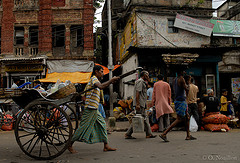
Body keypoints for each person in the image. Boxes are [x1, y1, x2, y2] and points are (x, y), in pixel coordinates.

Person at [68, 65, 120, 153]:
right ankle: (69, 145)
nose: (103, 73)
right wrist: (111, 80)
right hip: (90, 108)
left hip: (94, 108)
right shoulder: (94, 79)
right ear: (96, 72)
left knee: (102, 124)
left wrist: (110, 82)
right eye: (101, 71)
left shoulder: (95, 80)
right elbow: (101, 86)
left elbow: (101, 86)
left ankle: (106, 145)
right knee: (82, 127)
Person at [159, 70, 196, 142]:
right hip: (181, 101)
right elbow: (187, 89)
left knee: (187, 117)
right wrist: (188, 81)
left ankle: (188, 135)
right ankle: (164, 133)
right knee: (179, 118)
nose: (185, 72)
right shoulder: (181, 79)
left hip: (178, 100)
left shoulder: (175, 79)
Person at [125, 71, 156, 139]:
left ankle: (149, 133)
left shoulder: (143, 82)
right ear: (144, 75)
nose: (148, 76)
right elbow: (137, 93)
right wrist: (138, 104)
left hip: (142, 103)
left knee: (144, 118)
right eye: (147, 75)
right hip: (140, 103)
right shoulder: (140, 82)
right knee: (139, 118)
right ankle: (128, 133)